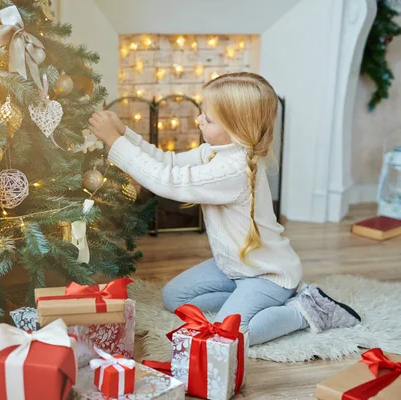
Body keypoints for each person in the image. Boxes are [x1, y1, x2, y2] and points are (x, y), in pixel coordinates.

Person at [88, 72, 360, 345]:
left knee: (229, 335)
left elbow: (166, 181)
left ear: (234, 126)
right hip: (234, 267)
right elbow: (167, 162)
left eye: (207, 118)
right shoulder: (216, 151)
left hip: (267, 275)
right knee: (175, 298)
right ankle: (245, 304)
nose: (198, 120)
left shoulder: (232, 169)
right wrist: (125, 133)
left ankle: (306, 309)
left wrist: (115, 142)